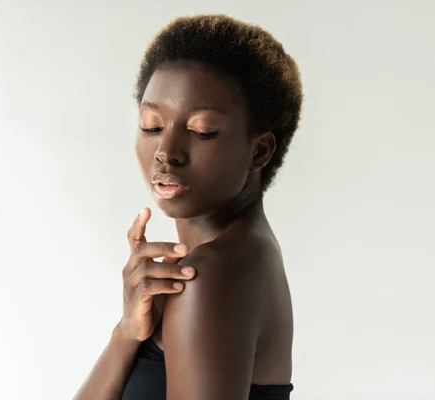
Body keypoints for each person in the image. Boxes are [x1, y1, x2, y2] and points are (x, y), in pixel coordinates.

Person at [74, 13, 303, 400]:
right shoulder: (244, 255)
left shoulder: (210, 276)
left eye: (201, 131)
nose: (165, 152)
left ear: (259, 150)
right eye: (151, 125)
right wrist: (128, 333)